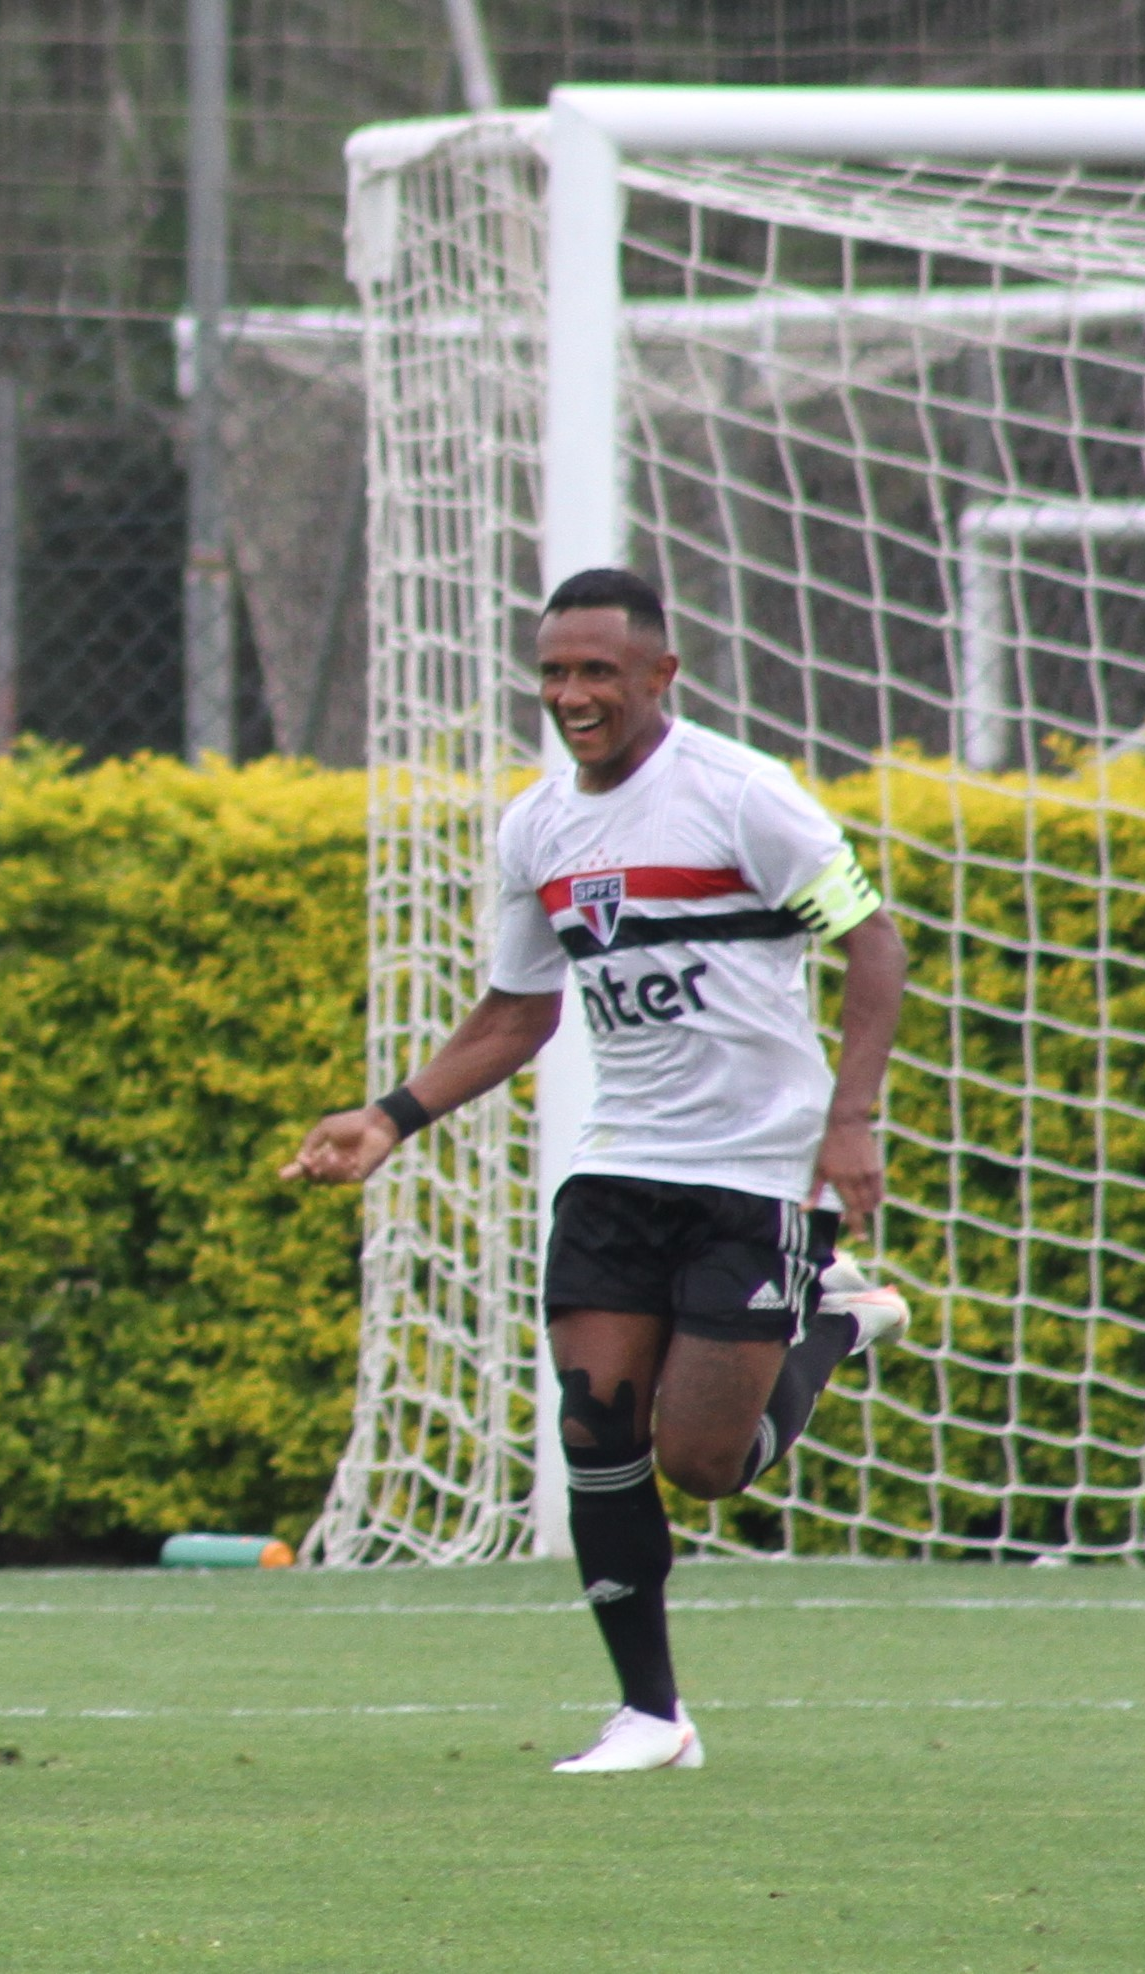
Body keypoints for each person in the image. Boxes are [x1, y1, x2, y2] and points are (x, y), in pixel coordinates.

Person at [284, 567, 909, 1774]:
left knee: (701, 1464)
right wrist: (387, 1117)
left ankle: (831, 1321)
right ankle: (650, 1716)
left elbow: (872, 944)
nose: (572, 695)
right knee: (595, 1428)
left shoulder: (743, 797)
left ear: (659, 676)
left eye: (597, 674)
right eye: (555, 673)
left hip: (758, 1172)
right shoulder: (538, 827)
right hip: (618, 1165)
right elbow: (517, 1016)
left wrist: (851, 1118)